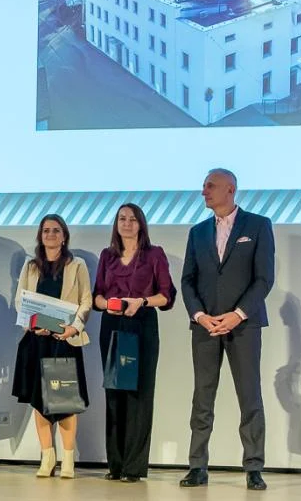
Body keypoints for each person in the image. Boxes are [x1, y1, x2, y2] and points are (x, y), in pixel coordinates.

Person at [179, 169, 274, 492]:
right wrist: (199, 315)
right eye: (204, 185)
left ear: (230, 189)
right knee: (202, 397)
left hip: (244, 325)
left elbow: (264, 278)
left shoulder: (258, 225)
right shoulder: (197, 232)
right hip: (205, 326)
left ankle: (254, 467)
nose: (203, 191)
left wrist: (238, 314)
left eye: (210, 185)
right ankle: (197, 466)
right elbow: (188, 280)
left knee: (249, 396)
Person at [93, 203, 176, 483]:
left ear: (141, 224)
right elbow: (97, 296)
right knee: (114, 394)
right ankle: (115, 465)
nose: (126, 223)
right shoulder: (107, 255)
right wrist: (107, 305)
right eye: (122, 218)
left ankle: (133, 467)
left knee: (139, 395)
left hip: (141, 326)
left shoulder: (154, 254)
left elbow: (166, 296)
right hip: (112, 326)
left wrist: (141, 301)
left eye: (132, 219)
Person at [11, 214, 92, 479]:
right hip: (36, 341)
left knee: (65, 401)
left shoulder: (76, 265)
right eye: (46, 230)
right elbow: (20, 300)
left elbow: (86, 301)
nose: (50, 235)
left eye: (56, 230)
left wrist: (74, 328)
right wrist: (33, 325)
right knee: (40, 402)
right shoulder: (31, 266)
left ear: (64, 235)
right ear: (40, 235)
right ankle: (47, 457)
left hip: (64, 341)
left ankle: (68, 460)